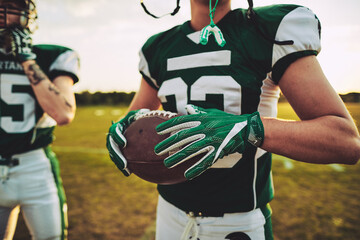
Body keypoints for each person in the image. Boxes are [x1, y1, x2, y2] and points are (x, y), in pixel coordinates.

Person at [107, 0, 360, 239]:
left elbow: (345, 140)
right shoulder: (158, 47)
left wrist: (249, 129)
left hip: (238, 223)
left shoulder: (267, 30)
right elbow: (134, 120)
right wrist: (122, 133)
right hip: (168, 215)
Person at [0, 0, 80, 239]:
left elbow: (63, 113)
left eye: (9, 5)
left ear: (27, 13)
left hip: (34, 167)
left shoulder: (52, 56)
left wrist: (26, 59)